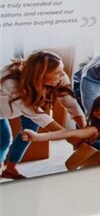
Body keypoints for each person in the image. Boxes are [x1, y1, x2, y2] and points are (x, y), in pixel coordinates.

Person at [1, 51, 83, 181]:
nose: (62, 75)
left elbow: (71, 103)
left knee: (30, 131)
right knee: (4, 140)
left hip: (26, 106)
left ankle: (10, 169)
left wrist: (83, 130)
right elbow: (40, 117)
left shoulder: (60, 77)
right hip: (3, 111)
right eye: (58, 72)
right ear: (41, 76)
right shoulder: (12, 84)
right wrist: (70, 137)